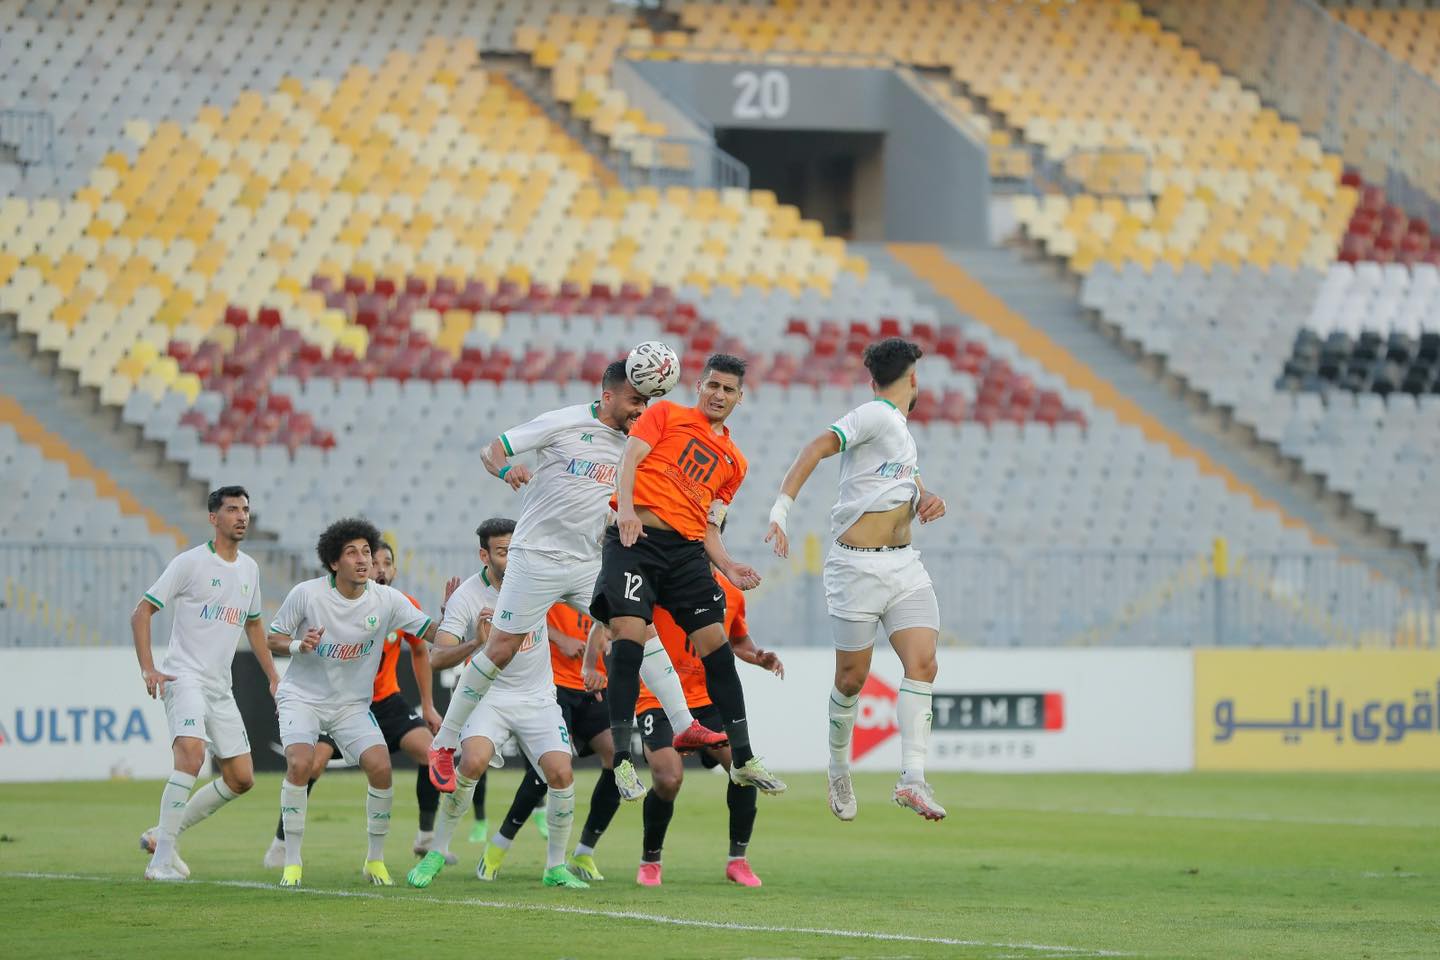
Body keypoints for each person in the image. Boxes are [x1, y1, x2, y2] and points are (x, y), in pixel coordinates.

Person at [429, 362, 723, 794]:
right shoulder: (564, 422)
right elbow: (493, 450)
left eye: (646, 401)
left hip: (591, 561)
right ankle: (443, 742)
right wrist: (507, 470)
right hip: (537, 556)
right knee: (502, 648)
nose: (641, 409)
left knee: (638, 630)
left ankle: (684, 725)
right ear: (608, 397)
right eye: (635, 400)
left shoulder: (638, 442)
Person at [766, 338, 948, 822]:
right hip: (856, 568)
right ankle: (838, 768)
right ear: (913, 379)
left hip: (904, 566)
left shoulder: (899, 432)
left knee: (924, 663)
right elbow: (817, 446)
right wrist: (781, 512)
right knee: (851, 680)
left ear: (874, 379)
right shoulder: (875, 415)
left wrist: (927, 499)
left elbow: (905, 484)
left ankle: (912, 779)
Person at [591, 353, 785, 801]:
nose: (719, 394)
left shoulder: (735, 462)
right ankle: (622, 761)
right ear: (699, 386)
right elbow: (629, 459)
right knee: (628, 642)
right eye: (713, 385)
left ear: (739, 398)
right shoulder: (664, 413)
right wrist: (625, 511)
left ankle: (743, 758)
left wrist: (729, 566)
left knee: (717, 650)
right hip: (636, 541)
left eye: (728, 389)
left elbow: (710, 525)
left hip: (686, 553)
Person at [406, 519, 589, 890]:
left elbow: (581, 593)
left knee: (561, 773)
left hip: (538, 697)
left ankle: (555, 866)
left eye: (516, 549)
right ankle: (437, 852)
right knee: (472, 762)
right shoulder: (467, 597)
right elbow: (437, 657)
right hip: (488, 697)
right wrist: (477, 643)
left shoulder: (537, 578)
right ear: (484, 555)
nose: (513, 558)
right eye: (504, 552)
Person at [590, 538, 783, 887]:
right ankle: (651, 860)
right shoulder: (658, 577)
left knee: (741, 768)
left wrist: (758, 657)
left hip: (707, 699)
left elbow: (736, 639)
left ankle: (737, 860)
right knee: (668, 778)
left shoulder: (730, 593)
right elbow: (624, 618)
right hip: (657, 699)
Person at [267, 518, 439, 887]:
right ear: (333, 562)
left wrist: (460, 621)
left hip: (351, 706)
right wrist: (299, 645)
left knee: (381, 768)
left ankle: (375, 861)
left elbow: (433, 634)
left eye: (366, 552)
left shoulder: (387, 599)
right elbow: (273, 638)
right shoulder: (307, 594)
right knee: (301, 763)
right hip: (303, 698)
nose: (363, 560)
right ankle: (291, 861)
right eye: (352, 553)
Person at [132, 485, 279, 881]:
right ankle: (160, 862)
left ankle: (163, 835)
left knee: (241, 778)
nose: (242, 516)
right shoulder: (190, 563)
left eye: (245, 509)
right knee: (192, 757)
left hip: (219, 686)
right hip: (184, 677)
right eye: (232, 509)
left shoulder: (249, 569)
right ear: (214, 518)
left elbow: (254, 625)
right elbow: (141, 612)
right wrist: (149, 668)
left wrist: (273, 676)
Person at [478, 604, 617, 882]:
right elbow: (525, 612)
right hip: (552, 684)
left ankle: (583, 853)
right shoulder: (549, 577)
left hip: (590, 684)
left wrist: (607, 642)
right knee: (550, 769)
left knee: (617, 757)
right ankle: (498, 846)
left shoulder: (603, 581)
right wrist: (560, 638)